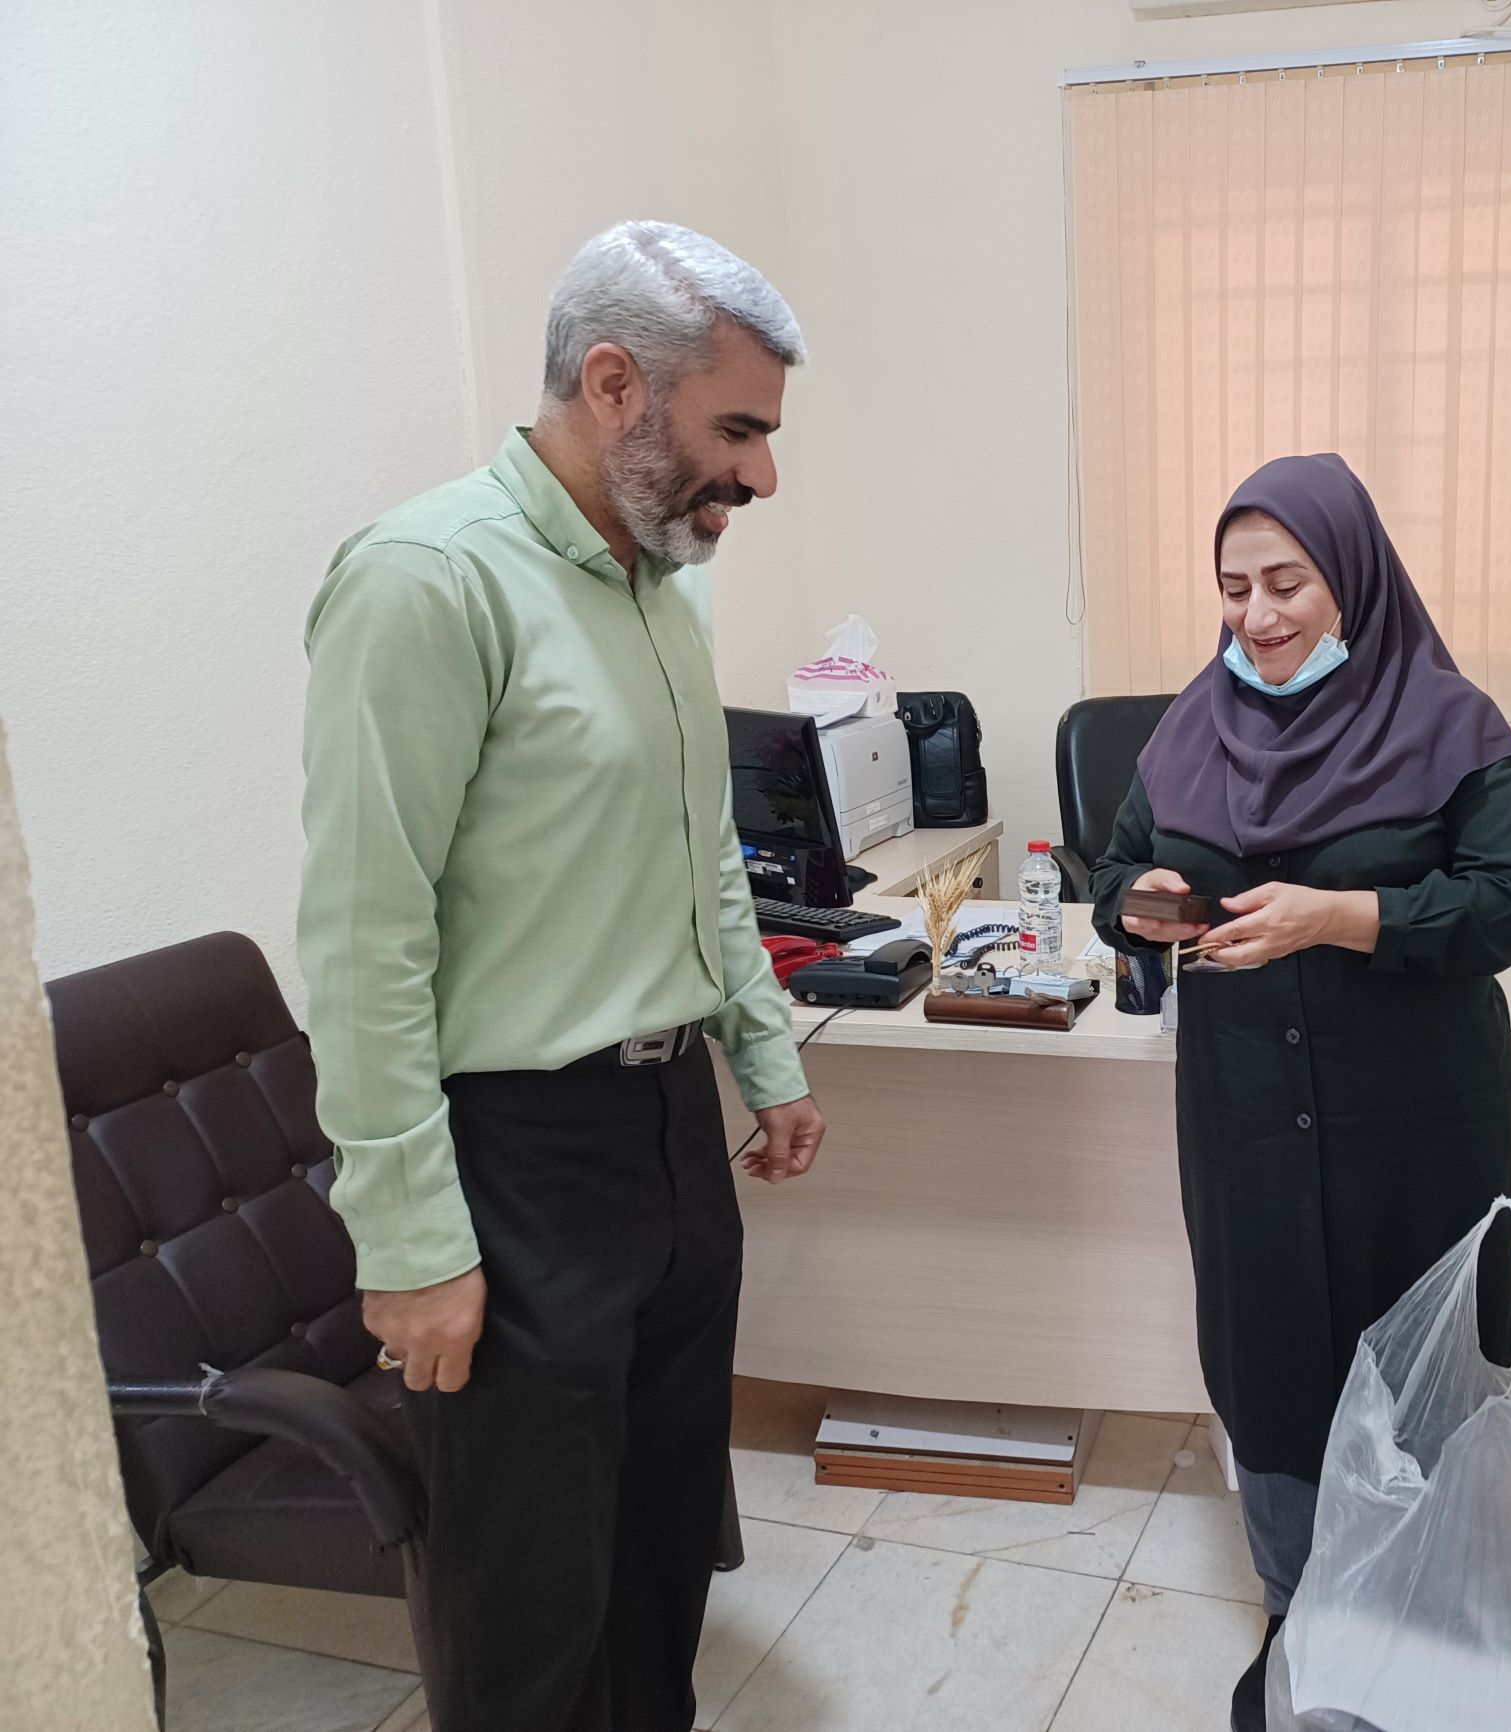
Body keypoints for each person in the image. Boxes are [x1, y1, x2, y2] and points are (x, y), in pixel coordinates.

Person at [298, 221, 825, 1732]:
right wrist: (408, 1239)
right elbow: (364, 933)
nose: (762, 474)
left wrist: (765, 1057)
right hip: (514, 1158)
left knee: (659, 1557)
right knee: (527, 1605)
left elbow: (701, 852)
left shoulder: (667, 587)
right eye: (738, 429)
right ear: (611, 384)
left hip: (669, 1139)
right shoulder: (425, 581)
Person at [1092, 453, 1511, 1732]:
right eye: (1232, 586)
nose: (1256, 614)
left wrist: (1340, 915)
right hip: (1244, 1120)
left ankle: (1426, 1611)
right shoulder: (1188, 727)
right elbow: (1116, 867)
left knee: (1425, 1364)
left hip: (1414, 1121)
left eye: (1285, 582)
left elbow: (1507, 905)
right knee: (1275, 1360)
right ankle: (1298, 1614)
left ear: (1350, 579)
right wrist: (1135, 905)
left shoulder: (1450, 723)